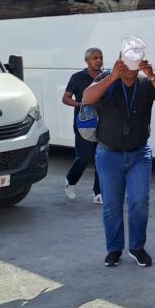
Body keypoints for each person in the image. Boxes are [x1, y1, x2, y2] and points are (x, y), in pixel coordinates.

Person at [82, 53, 155, 268]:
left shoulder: (146, 83)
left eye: (136, 64)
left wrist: (152, 76)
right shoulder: (107, 78)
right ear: (120, 62)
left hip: (139, 154)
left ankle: (137, 247)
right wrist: (113, 76)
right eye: (127, 63)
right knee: (112, 204)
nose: (131, 69)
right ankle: (114, 249)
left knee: (139, 201)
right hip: (108, 154)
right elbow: (87, 97)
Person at [62, 48, 108, 204]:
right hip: (84, 123)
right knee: (84, 156)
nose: (99, 60)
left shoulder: (106, 77)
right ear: (87, 60)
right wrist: (81, 104)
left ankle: (98, 193)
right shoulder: (77, 77)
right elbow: (66, 98)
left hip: (104, 122)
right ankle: (71, 179)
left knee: (101, 157)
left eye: (100, 57)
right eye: (95, 58)